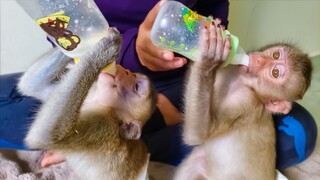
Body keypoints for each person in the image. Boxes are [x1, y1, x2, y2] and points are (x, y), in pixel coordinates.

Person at [0, 0, 317, 170]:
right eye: (274, 56)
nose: (263, 61)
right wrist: (133, 52)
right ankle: (139, 128)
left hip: (169, 82)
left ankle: (126, 130)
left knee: (301, 132)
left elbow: (210, 19)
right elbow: (64, 30)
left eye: (274, 71)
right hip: (107, 73)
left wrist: (209, 42)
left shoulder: (250, 90)